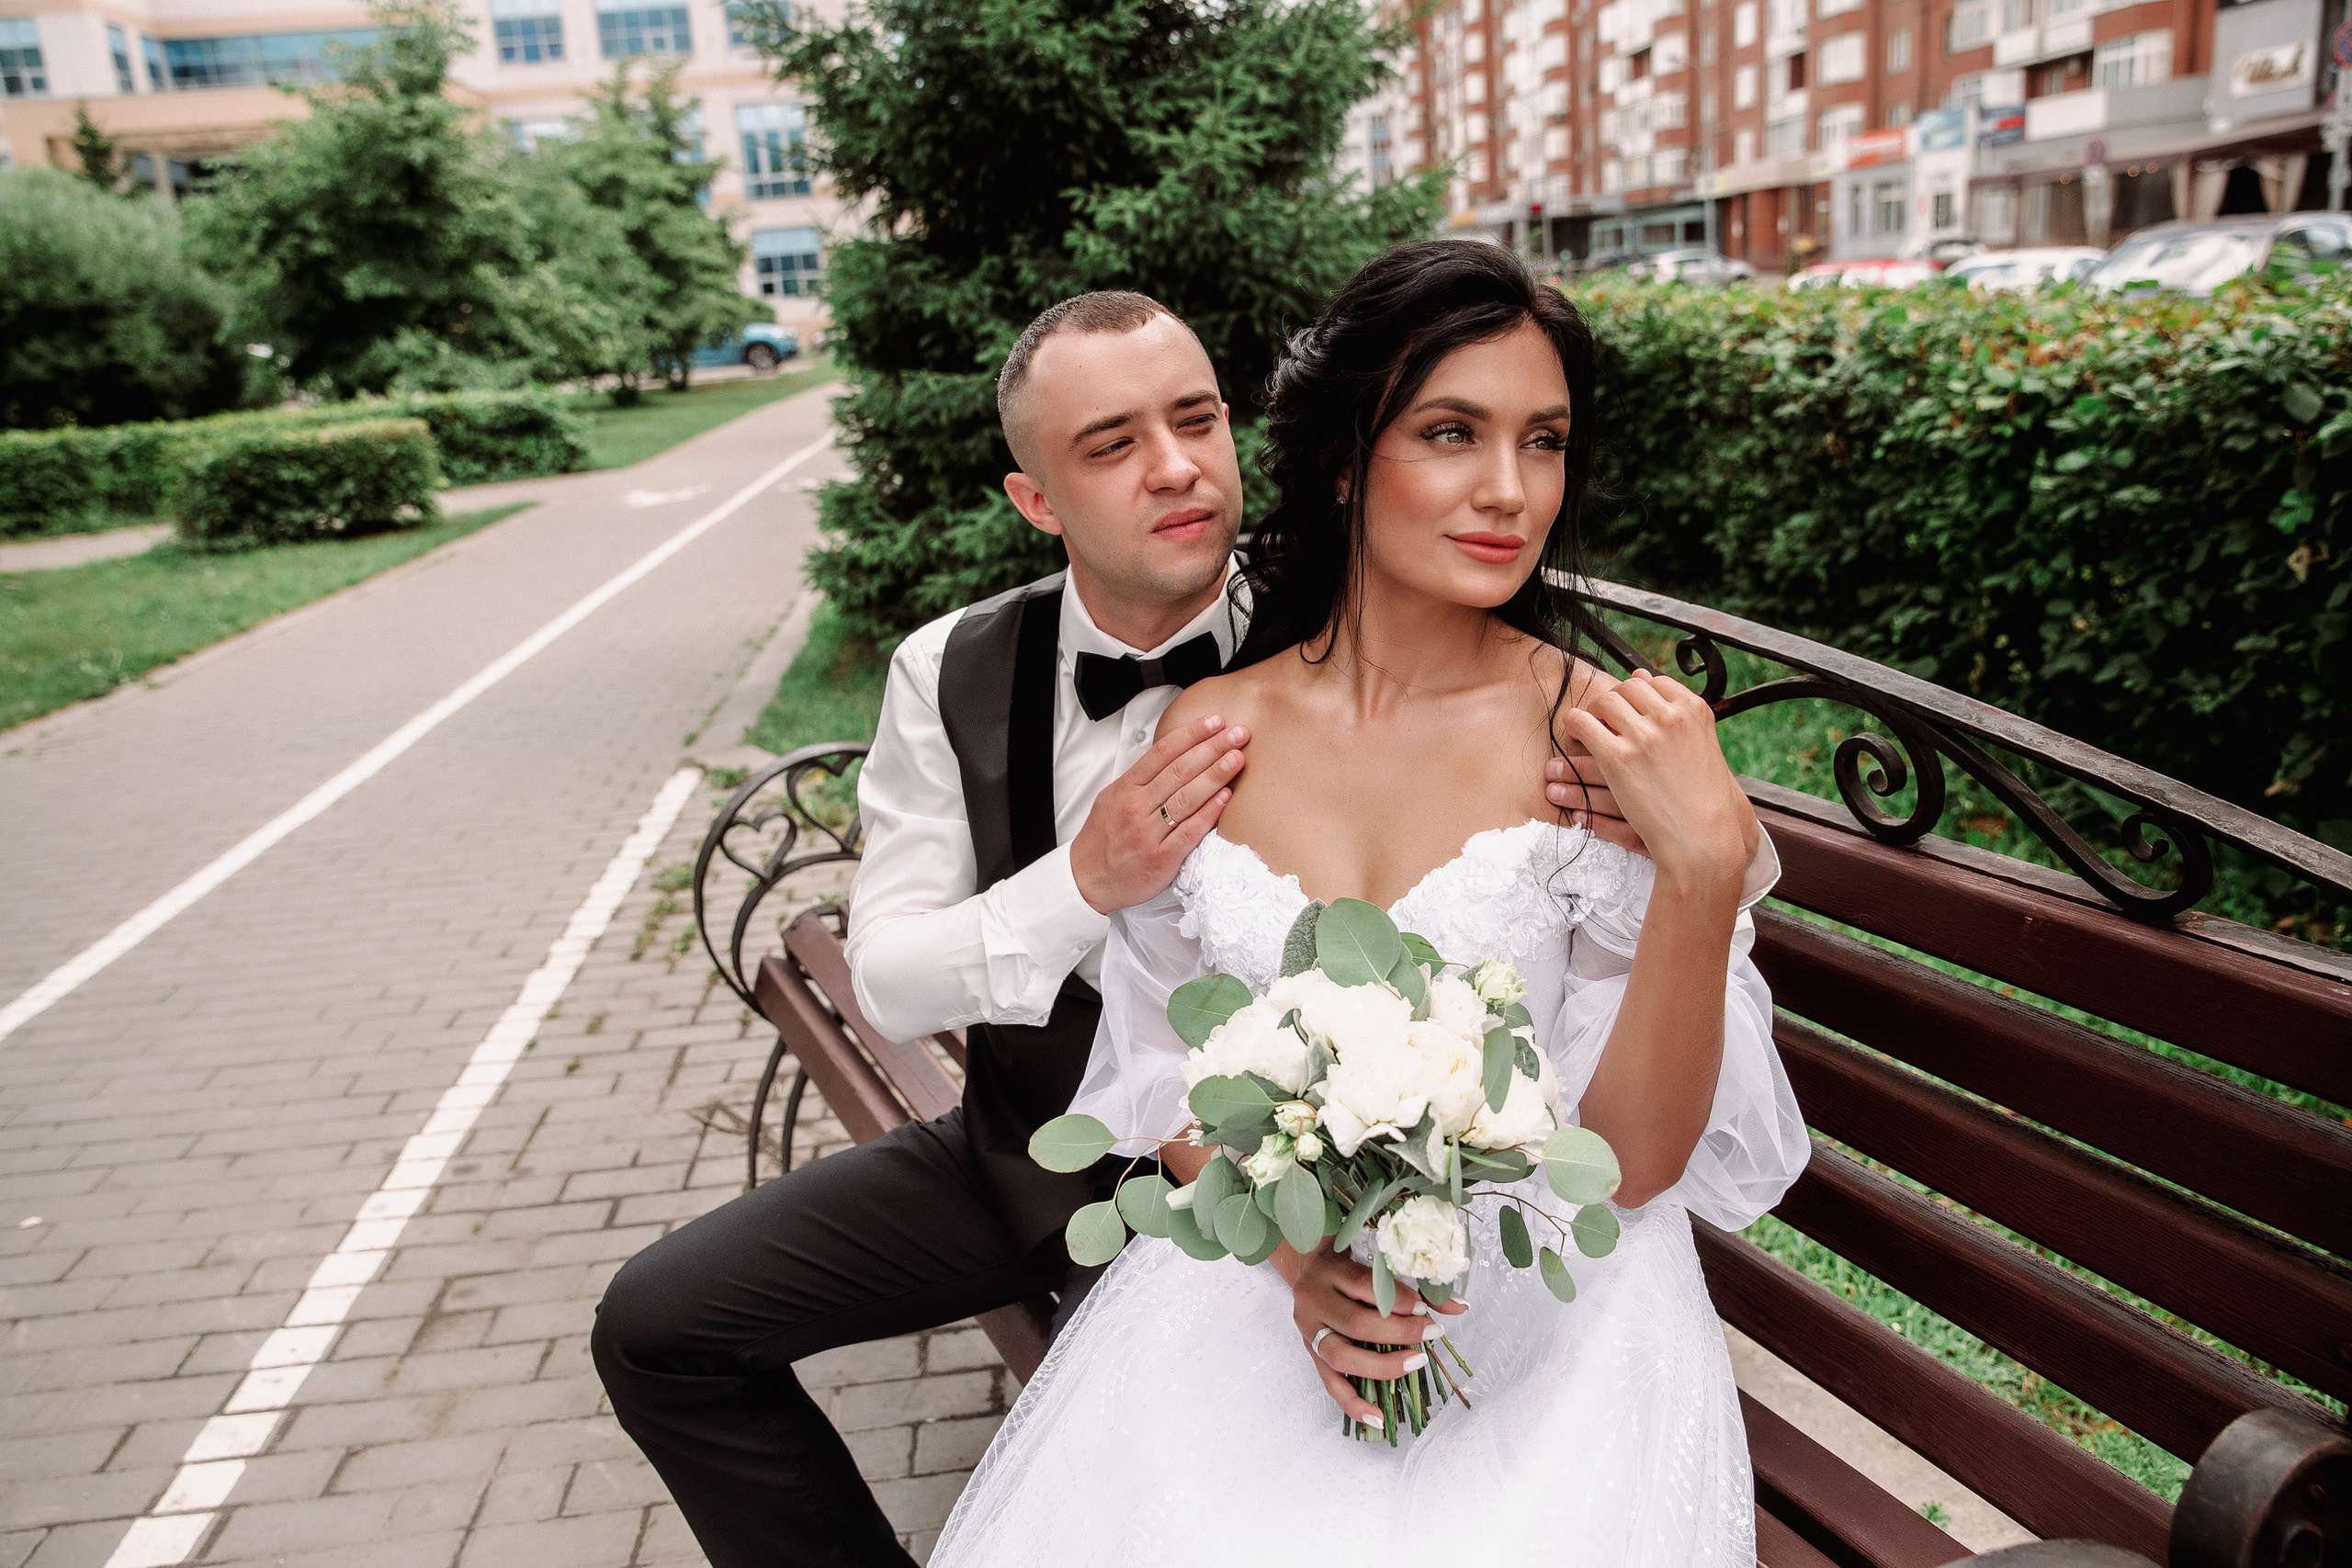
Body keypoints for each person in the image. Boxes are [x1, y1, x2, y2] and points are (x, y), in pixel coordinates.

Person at [591, 289, 1679, 1568]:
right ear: (1037, 499)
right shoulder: (954, 666)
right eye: (1111, 445)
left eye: (1197, 420)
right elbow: (885, 978)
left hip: (1269, 1194)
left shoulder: (1348, 611)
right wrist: (1085, 878)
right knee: (658, 1324)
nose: (1174, 468)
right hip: (1031, 1147)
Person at [927, 242, 1810, 1565]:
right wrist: (1302, 1268)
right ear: (1346, 458)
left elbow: (1629, 1165)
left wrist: (1701, 869)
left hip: (1558, 1325)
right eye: (1452, 433)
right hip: (1261, 1299)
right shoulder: (1211, 727)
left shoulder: (1598, 745)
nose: (1510, 491)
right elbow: (1170, 1070)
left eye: (1545, 440)